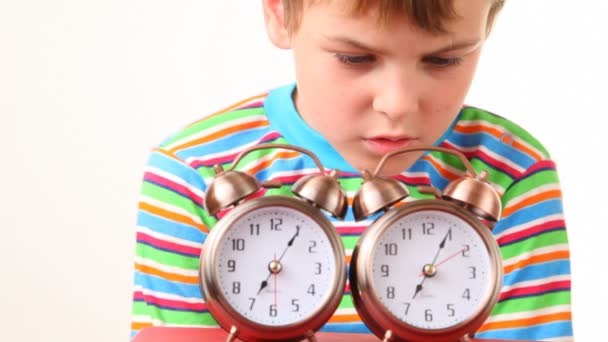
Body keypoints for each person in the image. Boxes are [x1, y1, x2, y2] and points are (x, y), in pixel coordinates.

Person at [130, 0, 573, 340]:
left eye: (444, 60)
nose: (397, 105)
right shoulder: (197, 172)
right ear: (281, 14)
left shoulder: (509, 174)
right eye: (355, 58)